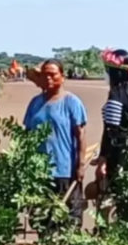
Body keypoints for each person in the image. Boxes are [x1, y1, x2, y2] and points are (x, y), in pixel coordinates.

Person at [24, 59, 88, 224]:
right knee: (41, 218)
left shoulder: (71, 102)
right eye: (45, 75)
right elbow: (26, 134)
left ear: (62, 77)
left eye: (53, 75)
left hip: (64, 170)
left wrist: (80, 166)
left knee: (68, 217)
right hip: (38, 171)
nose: (48, 79)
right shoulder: (35, 103)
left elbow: (80, 135)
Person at [93, 49, 128, 213]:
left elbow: (111, 133)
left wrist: (103, 158)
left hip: (119, 154)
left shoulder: (116, 97)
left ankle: (103, 230)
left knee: (109, 195)